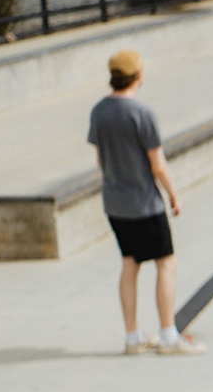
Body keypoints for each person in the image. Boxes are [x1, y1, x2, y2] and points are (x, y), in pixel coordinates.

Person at [86, 50, 204, 356]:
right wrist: (173, 195)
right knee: (166, 262)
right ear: (138, 76)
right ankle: (168, 336)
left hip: (115, 203)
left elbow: (100, 159)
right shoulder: (142, 113)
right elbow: (157, 165)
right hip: (144, 204)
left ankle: (133, 337)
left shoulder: (99, 112)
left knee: (130, 262)